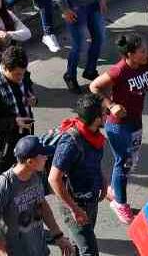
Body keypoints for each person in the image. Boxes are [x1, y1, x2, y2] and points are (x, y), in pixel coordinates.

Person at [89, 33, 148, 224]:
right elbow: (94, 87)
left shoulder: (145, 64)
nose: (145, 53)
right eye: (142, 51)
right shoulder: (119, 70)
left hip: (135, 121)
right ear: (130, 55)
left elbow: (143, 85)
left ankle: (115, 190)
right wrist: (111, 105)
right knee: (123, 162)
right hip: (118, 126)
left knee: (130, 160)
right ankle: (120, 203)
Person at [0, 135, 76, 256]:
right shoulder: (1, 188)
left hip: (40, 251)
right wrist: (2, 253)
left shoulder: (35, 176)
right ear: (30, 161)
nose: (46, 158)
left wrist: (58, 236)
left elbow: (42, 206)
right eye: (42, 155)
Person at [47, 93, 111, 256]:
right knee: (89, 251)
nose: (108, 115)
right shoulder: (71, 142)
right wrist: (74, 209)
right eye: (105, 112)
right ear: (96, 118)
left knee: (77, 245)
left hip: (90, 199)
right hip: (75, 203)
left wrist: (102, 181)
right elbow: (54, 178)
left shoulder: (94, 135)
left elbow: (93, 162)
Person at [0, 43, 39, 173]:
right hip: (3, 147)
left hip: (24, 135)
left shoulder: (21, 72)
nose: (21, 78)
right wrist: (13, 122)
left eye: (23, 74)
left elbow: (28, 86)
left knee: (23, 175)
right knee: (1, 181)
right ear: (5, 68)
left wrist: (32, 98)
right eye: (17, 74)